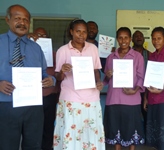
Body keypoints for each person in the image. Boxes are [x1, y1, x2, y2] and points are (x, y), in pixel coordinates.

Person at [0, 4, 55, 150]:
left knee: (33, 145)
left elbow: (44, 73)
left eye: (25, 19)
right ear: (8, 20)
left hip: (33, 106)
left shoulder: (35, 48)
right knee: (7, 145)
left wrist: (51, 80)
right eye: (17, 18)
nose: (22, 22)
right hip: (6, 104)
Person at [53, 19, 105, 150]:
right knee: (71, 132)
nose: (81, 35)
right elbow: (58, 77)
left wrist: (99, 82)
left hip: (91, 98)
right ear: (71, 32)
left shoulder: (92, 48)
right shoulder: (63, 51)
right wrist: (63, 71)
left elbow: (96, 70)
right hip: (71, 98)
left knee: (91, 133)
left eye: (84, 32)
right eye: (78, 31)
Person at [104, 27, 145, 150]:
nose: (123, 40)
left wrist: (135, 89)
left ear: (130, 39)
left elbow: (141, 77)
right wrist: (108, 75)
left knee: (131, 130)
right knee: (116, 130)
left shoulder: (137, 57)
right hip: (114, 99)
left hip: (131, 99)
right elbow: (106, 79)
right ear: (117, 39)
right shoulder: (111, 57)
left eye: (126, 37)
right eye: (120, 37)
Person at [28, 27, 60, 150]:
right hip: (33, 97)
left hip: (49, 97)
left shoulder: (54, 55)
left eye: (44, 35)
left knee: (48, 126)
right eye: (37, 35)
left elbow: (59, 75)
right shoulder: (28, 53)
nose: (40, 38)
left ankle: (47, 147)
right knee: (33, 127)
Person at [132, 30, 148, 135]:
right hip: (131, 89)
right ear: (132, 39)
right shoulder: (127, 53)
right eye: (136, 36)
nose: (139, 38)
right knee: (133, 114)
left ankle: (145, 137)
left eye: (140, 36)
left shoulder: (149, 54)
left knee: (146, 113)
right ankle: (133, 135)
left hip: (146, 90)